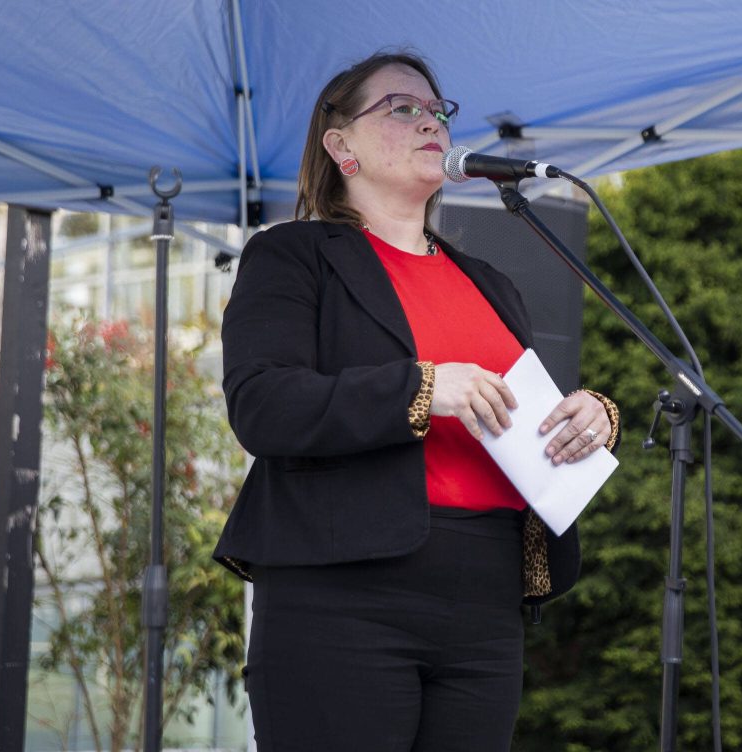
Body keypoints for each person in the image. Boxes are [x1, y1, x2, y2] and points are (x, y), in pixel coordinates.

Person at [213, 50, 620, 752]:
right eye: (402, 108)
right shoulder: (292, 255)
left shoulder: (491, 282)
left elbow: (515, 413)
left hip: (485, 600)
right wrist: (424, 388)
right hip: (345, 592)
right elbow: (263, 404)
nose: (431, 121)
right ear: (340, 145)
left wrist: (586, 417)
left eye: (437, 110)